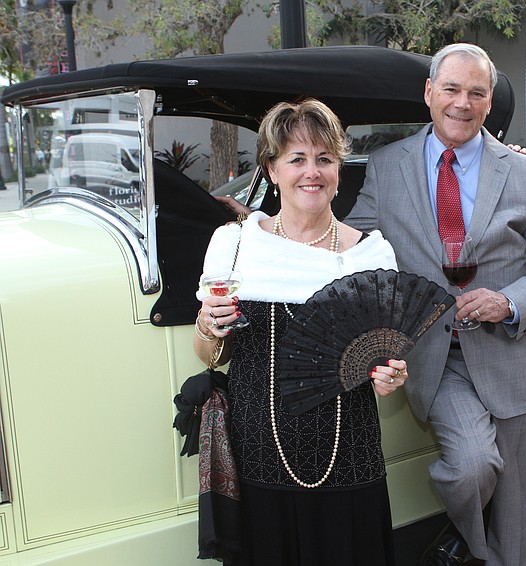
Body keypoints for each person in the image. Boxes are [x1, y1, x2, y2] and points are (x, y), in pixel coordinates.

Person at [345, 43, 526, 566]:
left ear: (489, 102)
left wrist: (510, 302)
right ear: (429, 93)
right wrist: (275, 228)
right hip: (437, 358)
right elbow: (351, 244)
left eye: (476, 92)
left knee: (521, 517)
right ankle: (468, 541)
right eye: (451, 89)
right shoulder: (386, 166)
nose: (462, 103)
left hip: (523, 364)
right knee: (470, 465)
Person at [194, 99, 409, 566]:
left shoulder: (371, 255)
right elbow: (210, 354)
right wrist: (209, 325)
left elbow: (384, 369)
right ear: (272, 169)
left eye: (324, 158)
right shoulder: (233, 244)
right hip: (257, 459)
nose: (311, 172)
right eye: (296, 158)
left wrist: (390, 377)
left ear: (339, 169)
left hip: (348, 458)